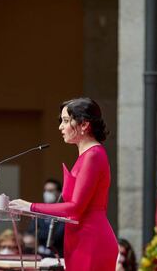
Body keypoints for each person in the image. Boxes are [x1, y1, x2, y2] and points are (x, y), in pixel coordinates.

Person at [9, 97, 118, 271]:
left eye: (66, 121)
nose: (61, 127)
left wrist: (30, 207)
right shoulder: (87, 155)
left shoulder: (93, 155)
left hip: (91, 240)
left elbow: (75, 208)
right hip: (80, 238)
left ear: (84, 125)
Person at [27, 178, 64, 257]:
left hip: (59, 255)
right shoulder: (39, 211)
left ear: (59, 193)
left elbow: (58, 235)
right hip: (40, 255)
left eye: (50, 191)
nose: (47, 193)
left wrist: (40, 234)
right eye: (45, 190)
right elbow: (31, 233)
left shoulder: (64, 212)